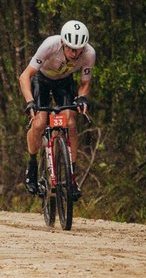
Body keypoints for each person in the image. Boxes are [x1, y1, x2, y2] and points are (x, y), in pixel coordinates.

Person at [18, 20, 95, 198]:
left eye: (79, 49)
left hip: (64, 82)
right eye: (71, 49)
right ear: (62, 43)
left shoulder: (89, 53)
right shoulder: (50, 45)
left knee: (70, 123)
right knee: (39, 124)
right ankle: (31, 167)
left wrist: (82, 97)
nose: (75, 54)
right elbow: (25, 76)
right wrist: (30, 101)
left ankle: (71, 178)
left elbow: (85, 83)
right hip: (41, 80)